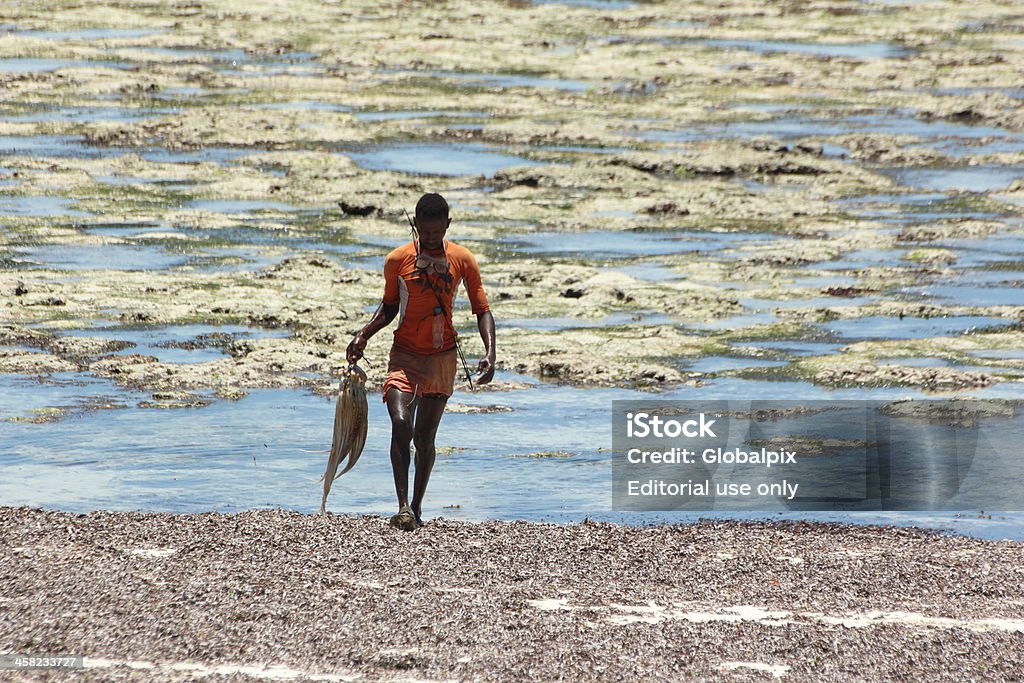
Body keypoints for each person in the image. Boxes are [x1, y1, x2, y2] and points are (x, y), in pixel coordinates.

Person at [346, 193, 496, 531]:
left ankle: (416, 506)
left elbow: (482, 310)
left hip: (442, 358)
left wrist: (490, 353)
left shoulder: (463, 260)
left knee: (424, 437)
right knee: (401, 422)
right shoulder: (397, 260)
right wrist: (363, 335)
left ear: (447, 225)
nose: (429, 239)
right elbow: (388, 307)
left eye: (436, 233)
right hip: (404, 354)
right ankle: (402, 506)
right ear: (416, 225)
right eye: (424, 233)